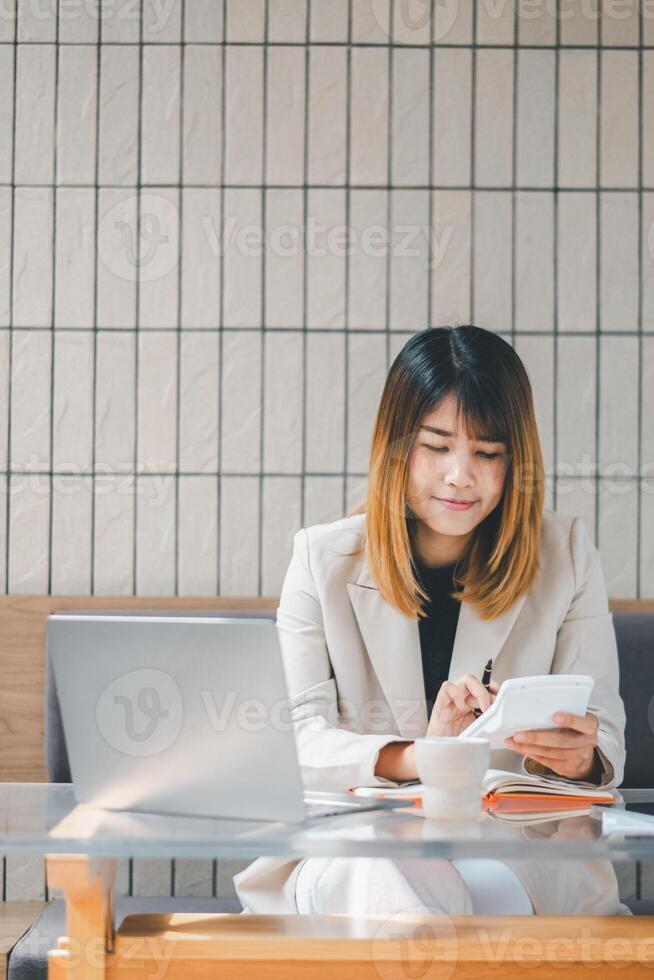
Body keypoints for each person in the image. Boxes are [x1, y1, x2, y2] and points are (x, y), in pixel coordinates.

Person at [233, 324, 629, 917]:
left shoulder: (565, 555)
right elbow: (292, 742)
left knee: (444, 894)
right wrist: (425, 756)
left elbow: (606, 740)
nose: (460, 475)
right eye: (437, 446)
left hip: (509, 851)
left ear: (515, 459)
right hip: (357, 848)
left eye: (488, 453)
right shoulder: (322, 560)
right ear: (396, 445)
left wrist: (582, 757)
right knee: (384, 871)